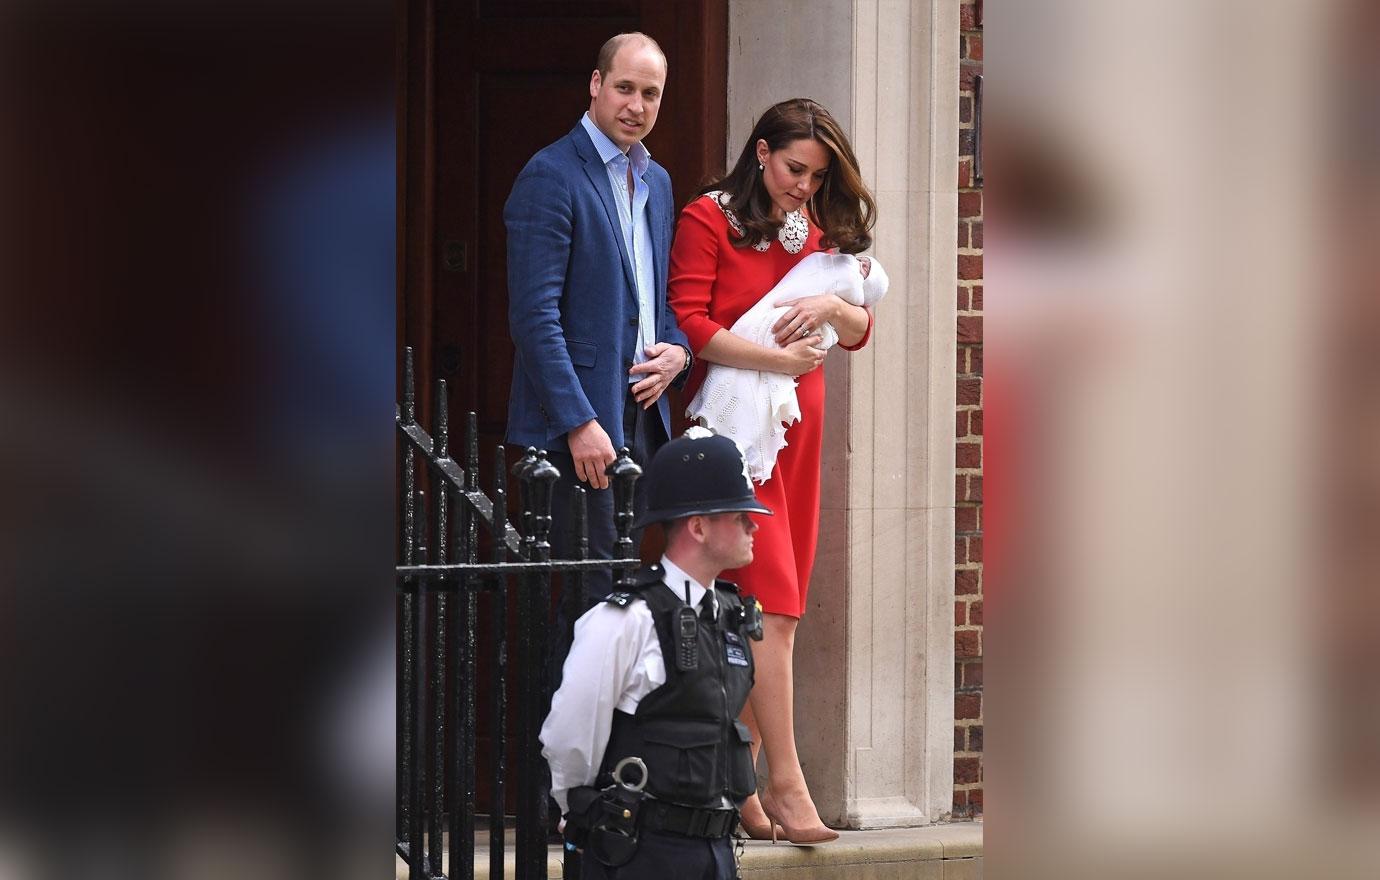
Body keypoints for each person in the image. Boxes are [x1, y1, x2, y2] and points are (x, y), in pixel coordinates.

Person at [668, 98, 878, 844]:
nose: (804, 187)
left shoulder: (819, 234)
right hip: (737, 439)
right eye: (795, 169)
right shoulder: (706, 218)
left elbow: (859, 326)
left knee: (769, 612)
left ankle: (741, 786)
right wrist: (779, 359)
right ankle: (785, 787)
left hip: (801, 439)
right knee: (772, 610)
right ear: (760, 153)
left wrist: (830, 301)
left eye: (818, 176)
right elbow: (690, 323)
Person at [504, 32, 694, 660]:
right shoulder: (550, 175)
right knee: (591, 598)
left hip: (642, 417)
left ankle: (609, 749)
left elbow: (656, 293)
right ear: (595, 84)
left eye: (651, 94)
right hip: (580, 431)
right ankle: (564, 754)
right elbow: (535, 318)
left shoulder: (658, 182)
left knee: (620, 593)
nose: (636, 105)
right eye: (625, 88)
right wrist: (579, 422)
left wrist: (677, 350)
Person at [540, 429, 771, 879]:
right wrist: (584, 814)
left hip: (716, 851)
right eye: (739, 514)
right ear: (698, 526)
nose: (753, 523)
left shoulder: (727, 613)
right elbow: (569, 736)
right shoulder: (625, 620)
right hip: (643, 852)